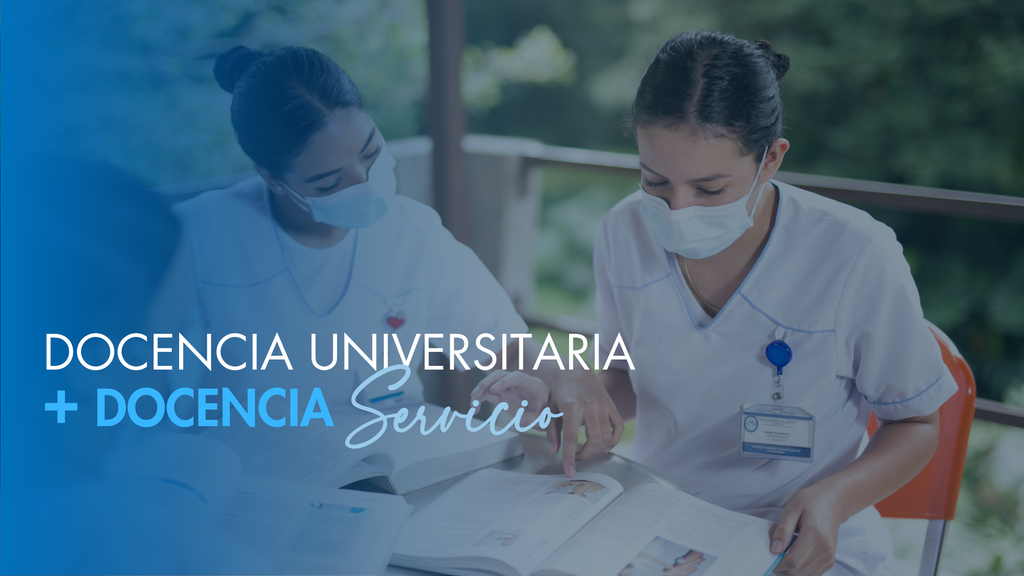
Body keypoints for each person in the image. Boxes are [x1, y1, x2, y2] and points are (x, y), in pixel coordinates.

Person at [481, 31, 956, 576]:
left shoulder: (854, 254)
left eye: (709, 190)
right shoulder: (623, 231)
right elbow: (625, 382)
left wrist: (835, 499)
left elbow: (918, 423)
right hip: (658, 518)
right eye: (655, 181)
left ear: (771, 159)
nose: (678, 211)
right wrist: (568, 397)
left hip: (799, 538)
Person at [175, 46, 619, 474]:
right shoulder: (198, 241)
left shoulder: (411, 234)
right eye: (330, 183)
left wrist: (567, 374)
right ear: (272, 179)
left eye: (370, 153)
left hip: (401, 467)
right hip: (256, 481)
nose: (364, 184)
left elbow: (500, 341)